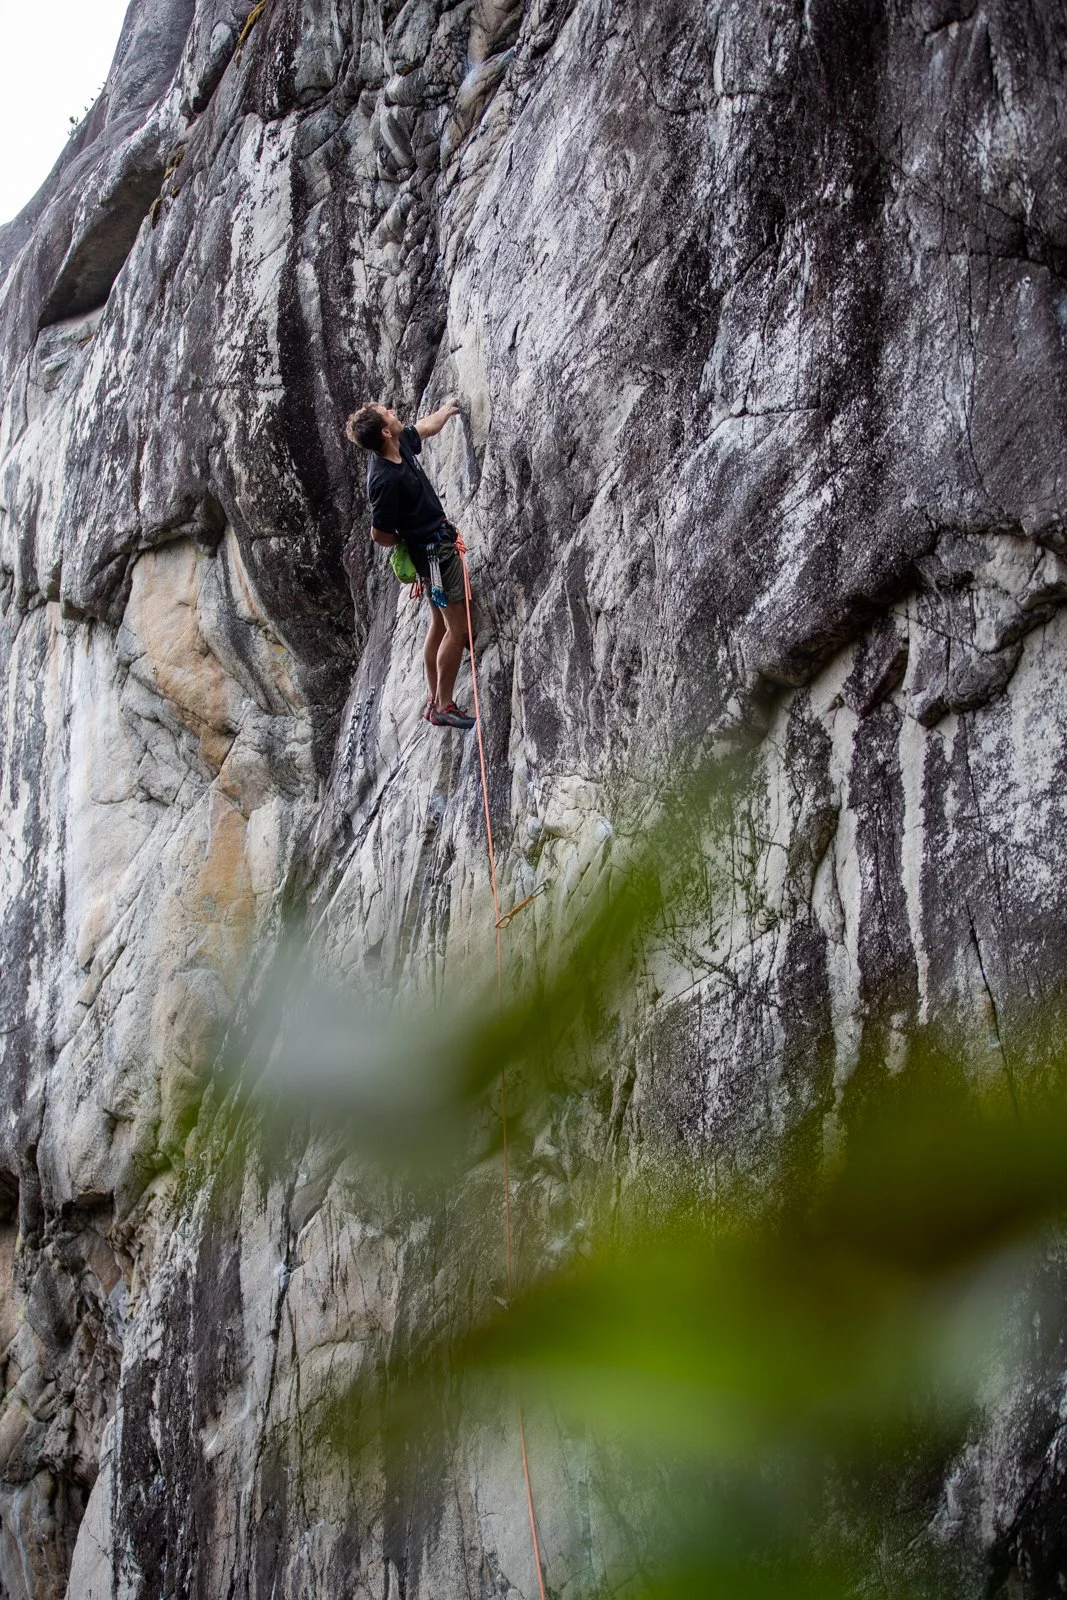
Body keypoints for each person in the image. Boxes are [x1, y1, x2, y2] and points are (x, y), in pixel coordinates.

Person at [346, 398, 476, 731]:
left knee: (439, 623)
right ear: (384, 431)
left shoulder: (398, 442)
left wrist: (446, 411)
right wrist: (412, 539)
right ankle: (444, 705)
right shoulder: (384, 480)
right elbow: (379, 533)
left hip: (433, 548)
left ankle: (434, 700)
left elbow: (424, 428)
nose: (393, 412)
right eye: (387, 413)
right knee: (457, 630)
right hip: (434, 555)